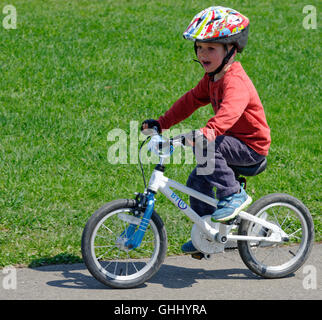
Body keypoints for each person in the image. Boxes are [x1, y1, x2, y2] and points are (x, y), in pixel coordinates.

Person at [141, 6, 271, 254]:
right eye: (199, 47)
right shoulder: (212, 78)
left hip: (251, 148)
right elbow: (189, 102)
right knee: (197, 179)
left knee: (207, 146)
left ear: (230, 49)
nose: (203, 54)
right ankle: (208, 232)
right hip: (229, 142)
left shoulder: (236, 81)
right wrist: (162, 123)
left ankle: (234, 195)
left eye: (210, 48)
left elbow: (229, 113)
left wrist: (208, 132)